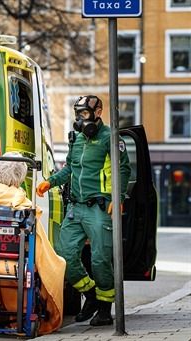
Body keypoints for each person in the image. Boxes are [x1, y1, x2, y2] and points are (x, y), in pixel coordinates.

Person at [36, 95, 131, 326]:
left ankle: (105, 310)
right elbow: (69, 167)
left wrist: (117, 198)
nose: (80, 118)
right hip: (75, 207)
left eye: (85, 113)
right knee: (64, 256)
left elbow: (124, 169)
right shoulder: (76, 138)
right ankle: (90, 296)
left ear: (98, 112)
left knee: (100, 260)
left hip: (99, 208)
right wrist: (51, 181)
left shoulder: (111, 137)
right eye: (78, 113)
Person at [0, 151, 66, 335]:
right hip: (17, 265)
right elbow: (40, 250)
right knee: (57, 264)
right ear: (20, 176)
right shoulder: (24, 206)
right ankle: (24, 317)